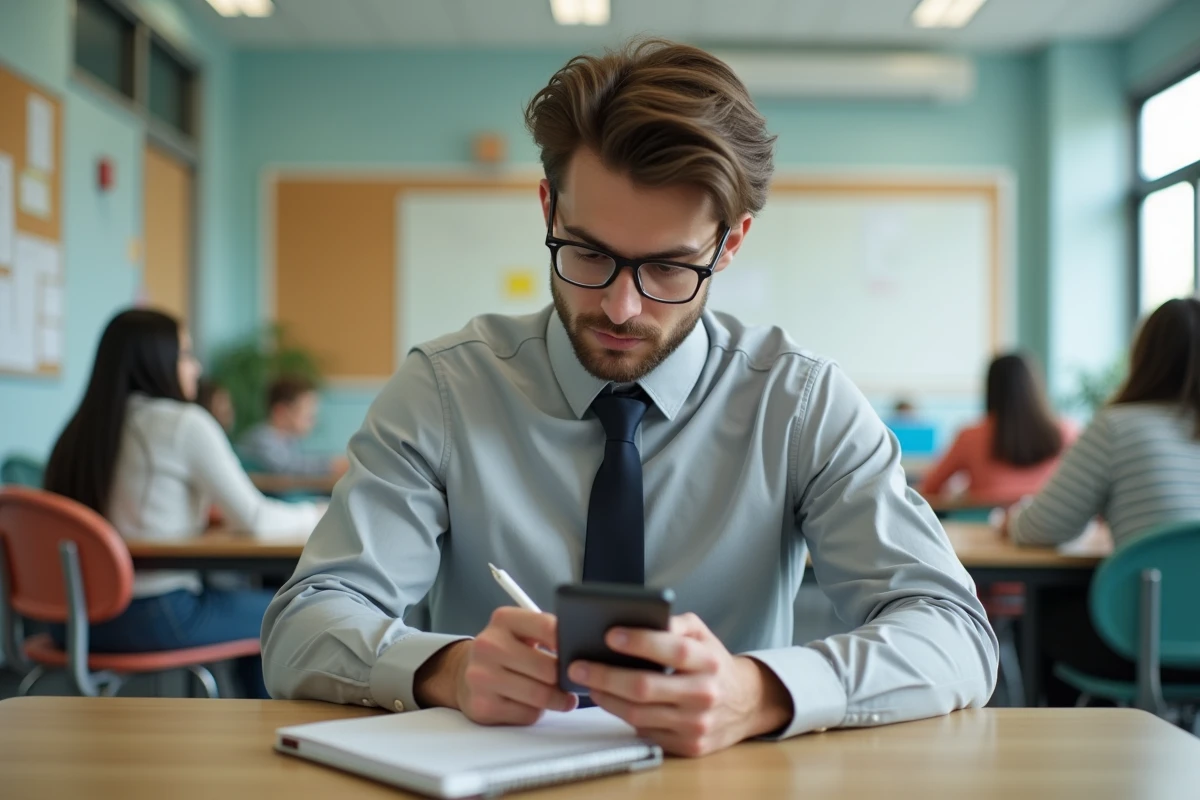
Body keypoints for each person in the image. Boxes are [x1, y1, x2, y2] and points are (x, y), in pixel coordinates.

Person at [262, 39, 996, 756]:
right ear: (548, 208)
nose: (620, 308)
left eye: (670, 269)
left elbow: (954, 633)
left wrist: (761, 692)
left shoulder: (800, 403)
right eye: (588, 254)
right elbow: (302, 624)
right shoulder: (445, 391)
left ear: (729, 245)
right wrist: (443, 670)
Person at [42, 308, 324, 698]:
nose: (196, 366)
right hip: (153, 615)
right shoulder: (182, 422)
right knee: (288, 610)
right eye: (187, 354)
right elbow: (256, 519)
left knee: (259, 604)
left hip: (66, 621)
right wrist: (318, 513)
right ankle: (270, 733)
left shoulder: (77, 430)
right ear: (157, 360)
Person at [1009, 298, 1200, 704]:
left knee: (1044, 608)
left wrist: (1012, 519)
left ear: (1145, 355)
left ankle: (1057, 752)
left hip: (1143, 645)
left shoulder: (1119, 427)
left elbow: (1042, 528)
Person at [920, 353, 1076, 504]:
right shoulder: (1067, 433)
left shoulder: (969, 437)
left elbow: (929, 488)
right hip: (1048, 526)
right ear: (1035, 387)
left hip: (981, 527)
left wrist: (965, 495)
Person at [237, 375, 348, 477]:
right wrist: (330, 465)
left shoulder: (289, 442)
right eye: (308, 416)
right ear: (281, 412)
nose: (314, 422)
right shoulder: (261, 438)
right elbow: (285, 467)